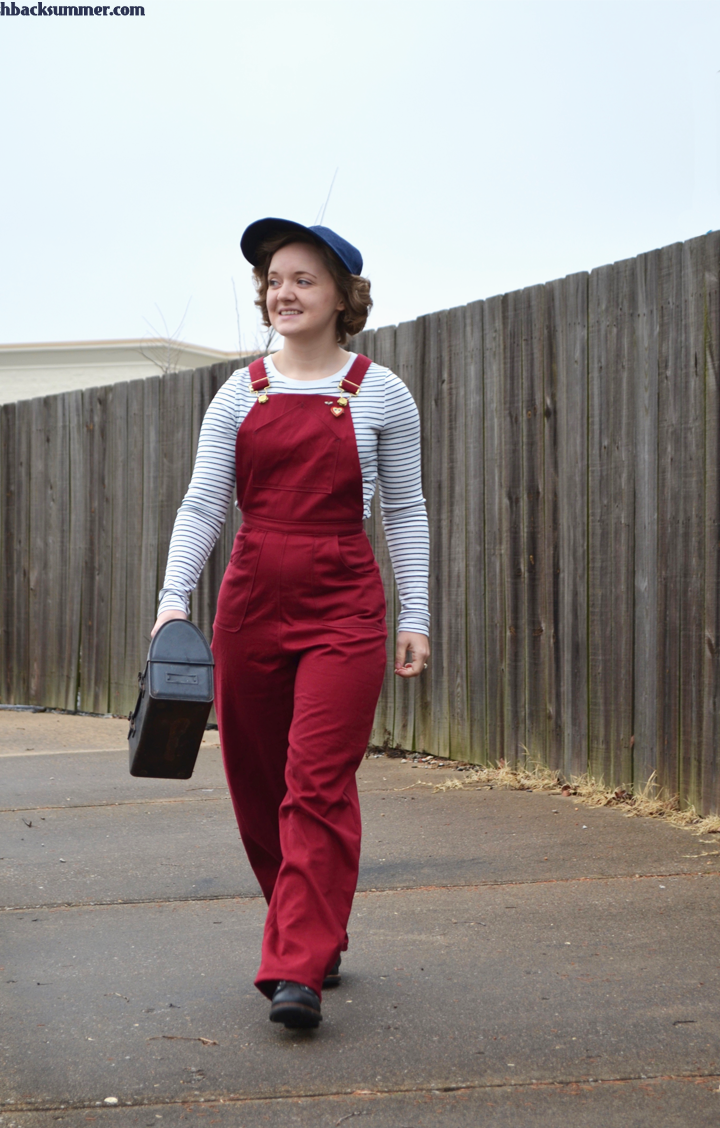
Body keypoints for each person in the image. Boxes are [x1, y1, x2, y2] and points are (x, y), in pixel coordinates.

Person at [152, 217, 430, 1029]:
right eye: (275, 279)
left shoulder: (380, 392)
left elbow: (406, 511)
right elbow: (204, 503)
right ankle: (312, 930)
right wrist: (174, 601)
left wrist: (415, 613)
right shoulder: (241, 391)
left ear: (345, 297)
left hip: (344, 606)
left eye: (304, 279)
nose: (284, 292)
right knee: (257, 785)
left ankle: (295, 968)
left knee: (315, 784)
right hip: (250, 607)